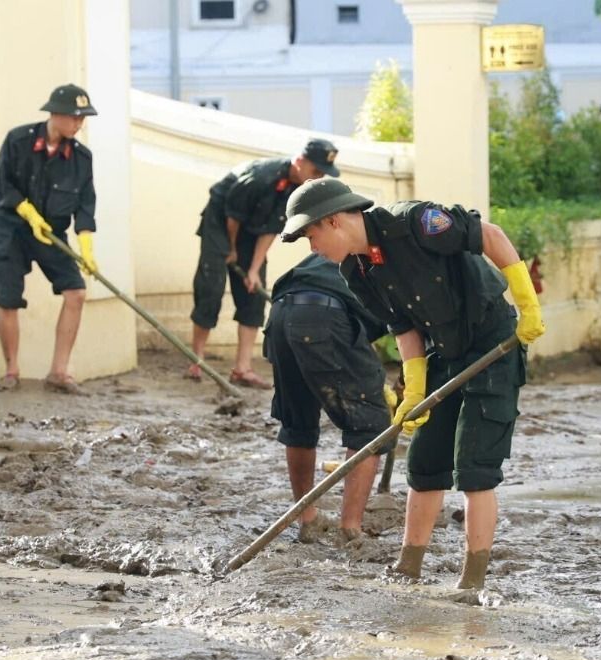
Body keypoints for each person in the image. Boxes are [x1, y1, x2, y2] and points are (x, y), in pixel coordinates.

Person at [279, 178, 546, 589]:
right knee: (424, 464)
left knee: (475, 467)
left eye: (311, 236)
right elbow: (402, 325)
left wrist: (527, 303)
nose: (312, 248)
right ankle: (408, 566)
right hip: (444, 351)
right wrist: (415, 386)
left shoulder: (415, 222)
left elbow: (490, 236)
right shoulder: (357, 269)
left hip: (493, 343)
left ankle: (471, 582)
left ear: (333, 221)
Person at [187, 139, 340, 388]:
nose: (318, 177)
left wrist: (254, 269)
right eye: (315, 171)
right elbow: (232, 215)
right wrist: (232, 249)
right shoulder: (261, 177)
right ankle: (197, 360)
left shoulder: (299, 189)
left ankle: (242, 369)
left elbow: (271, 229)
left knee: (254, 293)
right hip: (221, 221)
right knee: (210, 288)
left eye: (322, 173)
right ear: (299, 161)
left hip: (251, 229)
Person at [264, 253, 395, 543]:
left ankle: (307, 519)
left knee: (297, 421)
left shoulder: (354, 244)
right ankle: (351, 529)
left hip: (281, 313)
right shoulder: (411, 263)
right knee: (370, 425)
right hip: (324, 316)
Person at [0, 83, 99, 395]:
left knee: (76, 292)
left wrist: (87, 248)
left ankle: (59, 372)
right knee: (8, 299)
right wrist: (27, 212)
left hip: (52, 234)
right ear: (56, 114)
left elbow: (85, 207)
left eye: (82, 118)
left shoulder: (81, 158)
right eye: (75, 118)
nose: (80, 124)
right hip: (11, 229)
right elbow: (2, 187)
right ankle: (11, 371)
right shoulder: (18, 140)